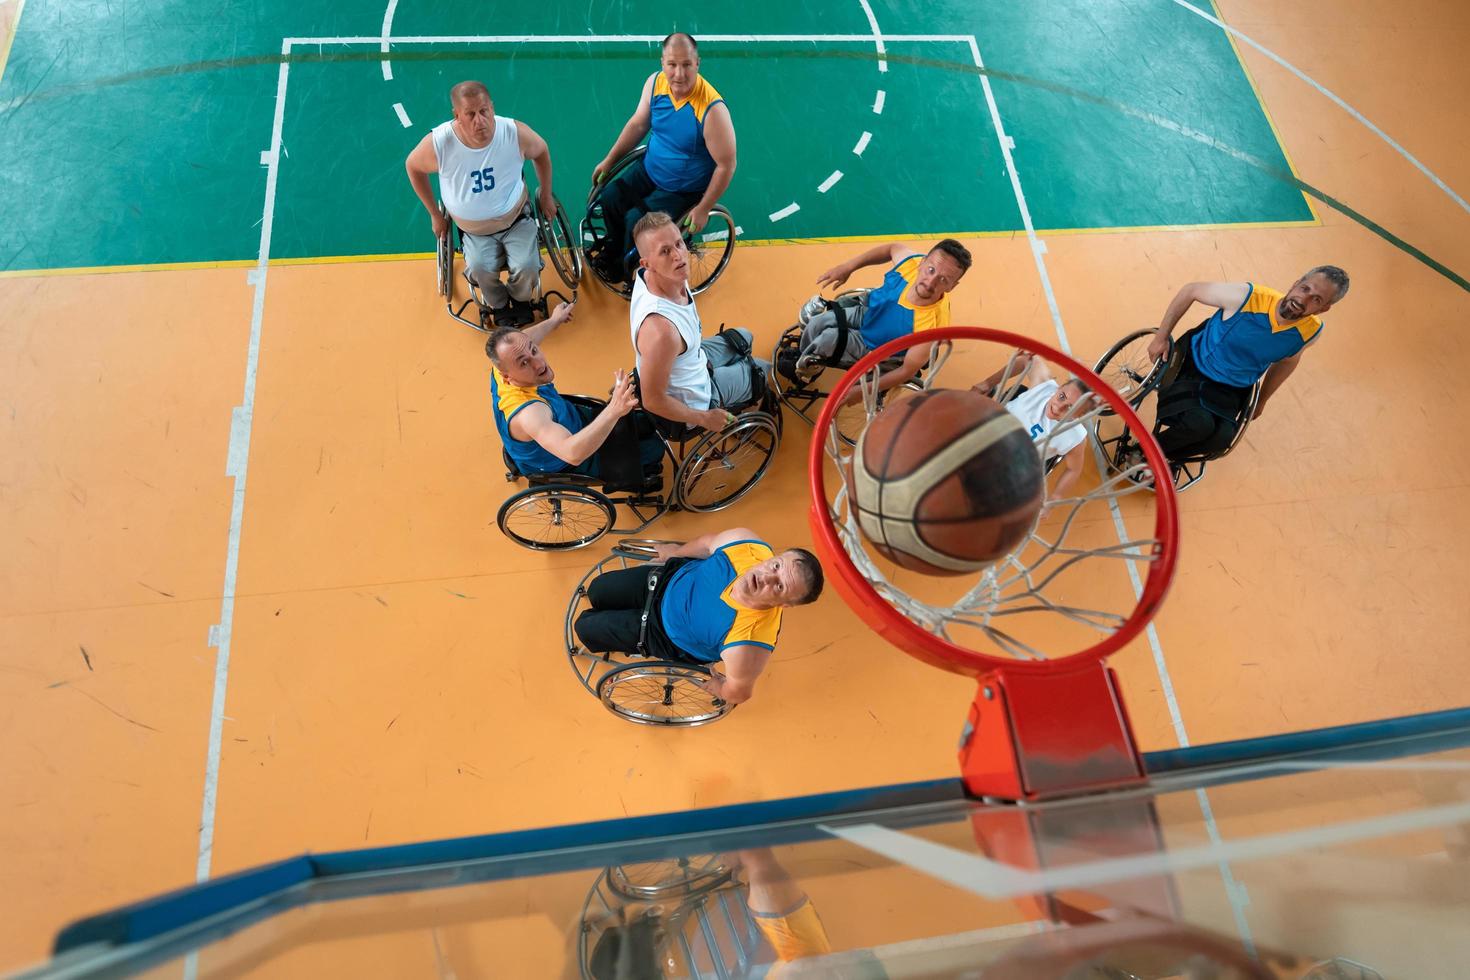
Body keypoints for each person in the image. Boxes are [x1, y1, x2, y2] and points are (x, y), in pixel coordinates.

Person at [573, 527, 824, 706]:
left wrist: (719, 688)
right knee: (597, 590)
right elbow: (706, 544)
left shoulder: (750, 645)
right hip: (665, 581)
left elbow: (739, 692)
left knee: (584, 628)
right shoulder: (746, 545)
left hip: (663, 634)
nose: (766, 576)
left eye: (779, 587)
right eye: (777, 566)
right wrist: (676, 552)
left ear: (785, 605)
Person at [1142, 266, 1350, 463]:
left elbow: (1288, 361)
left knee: (1221, 441)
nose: (1302, 299)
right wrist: (1161, 337)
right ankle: (1140, 455)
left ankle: (1163, 457)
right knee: (1198, 426)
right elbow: (1191, 290)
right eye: (1305, 289)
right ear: (1295, 284)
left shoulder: (1311, 332)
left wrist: (1262, 400)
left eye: (1316, 299)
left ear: (1324, 308)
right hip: (1194, 365)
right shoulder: (1248, 297)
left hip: (1234, 388)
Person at [406, 80, 558, 327]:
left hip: (516, 220)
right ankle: (498, 305)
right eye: (471, 114)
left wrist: (547, 195)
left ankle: (520, 301)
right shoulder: (441, 143)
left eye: (484, 111)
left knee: (528, 265)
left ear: (492, 108)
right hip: (474, 232)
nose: (480, 120)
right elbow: (412, 167)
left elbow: (541, 152)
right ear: (457, 116)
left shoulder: (513, 133)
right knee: (479, 268)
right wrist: (434, 214)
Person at [587, 32, 737, 281]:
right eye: (673, 65)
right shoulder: (655, 84)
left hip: (682, 189)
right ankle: (615, 249)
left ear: (697, 63)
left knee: (636, 221)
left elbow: (726, 165)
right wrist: (609, 160)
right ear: (662, 63)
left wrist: (703, 208)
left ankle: (631, 270)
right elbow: (637, 125)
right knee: (610, 197)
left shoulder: (712, 110)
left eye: (687, 65)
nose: (679, 74)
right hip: (649, 170)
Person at [487, 302, 662, 481]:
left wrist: (555, 320)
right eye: (524, 363)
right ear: (506, 377)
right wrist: (613, 410)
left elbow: (526, 338)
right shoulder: (530, 414)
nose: (539, 364)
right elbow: (572, 453)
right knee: (655, 449)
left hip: (568, 420)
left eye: (534, 350)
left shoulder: (507, 360)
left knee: (643, 422)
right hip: (565, 457)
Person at [783, 240, 972, 403]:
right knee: (818, 322)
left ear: (952, 286)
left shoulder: (931, 328)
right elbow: (892, 248)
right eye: (930, 270)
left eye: (943, 280)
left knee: (827, 338)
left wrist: (864, 390)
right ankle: (809, 362)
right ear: (922, 263)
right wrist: (848, 267)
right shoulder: (910, 264)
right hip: (870, 314)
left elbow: (906, 371)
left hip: (876, 347)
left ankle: (804, 374)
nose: (930, 282)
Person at [630, 211, 769, 433]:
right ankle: (744, 419)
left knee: (745, 335)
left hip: (692, 358)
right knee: (764, 369)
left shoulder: (658, 277)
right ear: (647, 264)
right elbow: (653, 400)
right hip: (696, 399)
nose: (678, 256)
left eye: (678, 244)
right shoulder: (662, 332)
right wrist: (705, 418)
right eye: (665, 252)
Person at [975, 353, 1094, 500]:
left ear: (1079, 417)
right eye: (1061, 397)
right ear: (1058, 388)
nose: (1057, 408)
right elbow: (1029, 359)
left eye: (1070, 409)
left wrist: (1056, 496)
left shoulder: (1075, 437)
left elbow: (1073, 470)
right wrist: (987, 383)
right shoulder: (1043, 388)